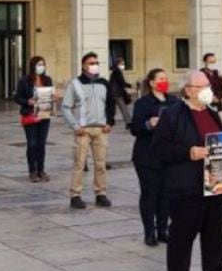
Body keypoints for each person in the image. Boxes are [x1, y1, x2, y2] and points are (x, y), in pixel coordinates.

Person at [153, 71, 222, 271]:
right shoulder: (172, 114)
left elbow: (218, 141)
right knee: (182, 237)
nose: (207, 90)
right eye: (202, 86)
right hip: (185, 185)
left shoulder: (212, 113)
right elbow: (159, 148)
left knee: (214, 234)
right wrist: (187, 152)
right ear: (188, 89)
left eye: (208, 86)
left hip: (214, 184)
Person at [62, 52, 116, 209]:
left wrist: (110, 122)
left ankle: (101, 193)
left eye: (96, 62)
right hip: (83, 131)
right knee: (79, 163)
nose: (94, 65)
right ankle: (75, 195)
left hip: (101, 130)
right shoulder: (76, 84)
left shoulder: (104, 83)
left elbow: (111, 104)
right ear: (84, 66)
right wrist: (75, 126)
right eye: (91, 63)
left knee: (100, 163)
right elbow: (66, 107)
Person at [130, 68, 177, 246]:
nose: (164, 81)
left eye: (166, 78)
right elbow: (135, 128)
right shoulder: (143, 103)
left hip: (167, 155)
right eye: (160, 79)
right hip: (147, 156)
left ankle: (163, 230)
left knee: (165, 194)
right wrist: (149, 124)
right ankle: (149, 232)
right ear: (151, 82)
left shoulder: (174, 101)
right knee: (150, 193)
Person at [14, 55, 54, 182]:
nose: (41, 67)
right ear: (33, 66)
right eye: (38, 64)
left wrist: (54, 97)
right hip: (30, 115)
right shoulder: (24, 80)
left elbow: (50, 95)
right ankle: (32, 170)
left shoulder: (47, 80)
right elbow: (17, 97)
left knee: (41, 144)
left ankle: (41, 170)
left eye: (43, 64)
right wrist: (28, 101)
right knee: (32, 144)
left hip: (44, 115)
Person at [108, 58, 134, 127]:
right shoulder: (117, 72)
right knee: (122, 108)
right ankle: (128, 122)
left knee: (113, 108)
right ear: (117, 64)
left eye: (123, 64)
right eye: (121, 64)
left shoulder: (116, 71)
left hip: (114, 93)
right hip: (117, 93)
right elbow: (121, 82)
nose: (123, 65)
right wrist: (130, 85)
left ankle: (128, 122)